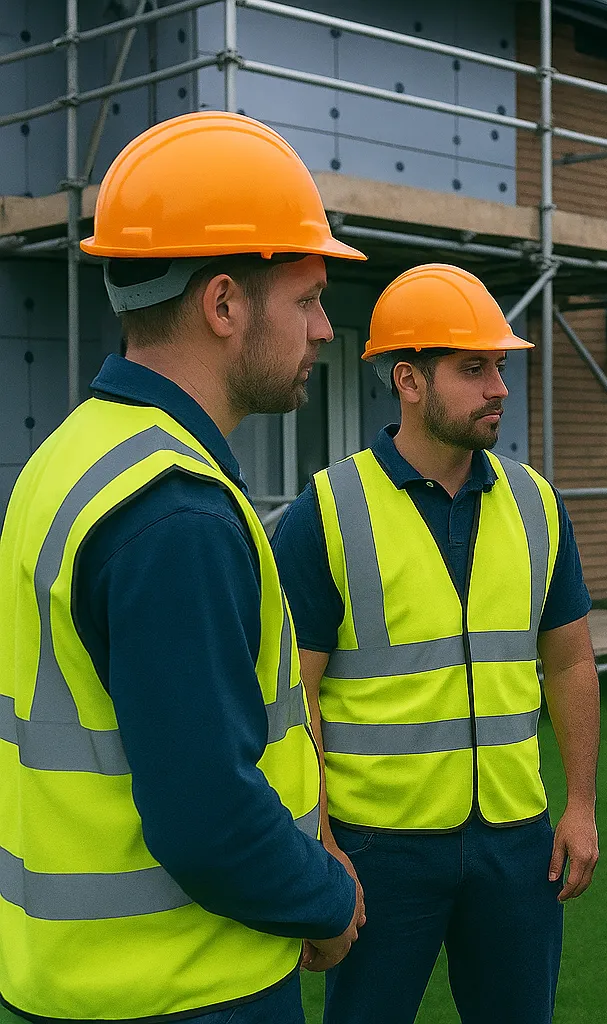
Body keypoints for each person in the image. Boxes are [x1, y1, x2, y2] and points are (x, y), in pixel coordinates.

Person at [0, 112, 367, 1022]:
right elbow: (207, 820)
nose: (327, 328)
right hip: (186, 987)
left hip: (75, 980)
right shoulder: (177, 514)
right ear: (223, 303)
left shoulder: (72, 455)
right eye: (308, 296)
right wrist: (326, 900)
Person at [271, 263, 600, 1024]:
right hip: (379, 851)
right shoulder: (328, 510)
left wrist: (579, 805)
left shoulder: (537, 504)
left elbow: (572, 660)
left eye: (501, 366)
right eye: (474, 367)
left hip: (518, 843)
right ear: (409, 380)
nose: (500, 387)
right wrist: (319, 839)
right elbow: (294, 695)